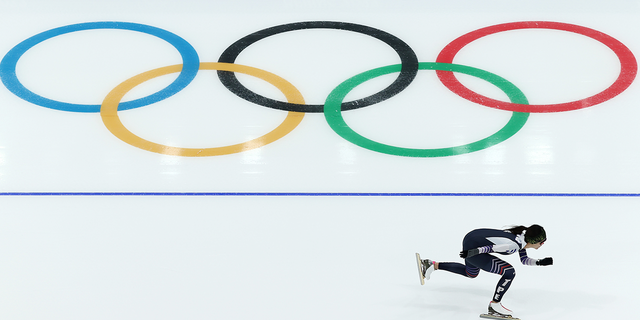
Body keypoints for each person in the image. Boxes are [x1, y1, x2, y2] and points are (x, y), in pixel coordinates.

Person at [418, 225, 553, 318]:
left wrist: (540, 262)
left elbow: (524, 260)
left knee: (471, 273)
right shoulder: (513, 245)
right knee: (509, 272)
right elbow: (491, 247)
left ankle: (430, 265)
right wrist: (472, 252)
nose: (543, 244)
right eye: (542, 241)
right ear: (536, 241)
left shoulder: (521, 237)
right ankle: (495, 305)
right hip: (474, 247)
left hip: (471, 238)